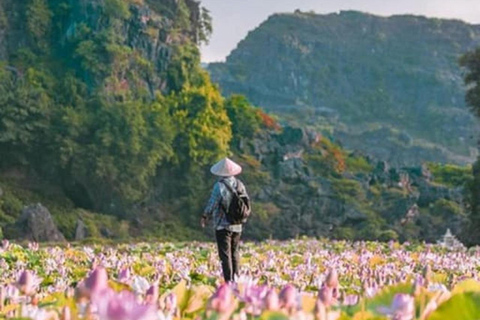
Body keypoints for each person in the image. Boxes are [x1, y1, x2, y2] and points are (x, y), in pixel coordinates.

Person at [201, 157, 249, 283]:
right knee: (234, 253)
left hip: (222, 225)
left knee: (225, 255)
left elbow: (213, 203)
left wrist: (205, 216)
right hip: (237, 225)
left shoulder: (219, 186)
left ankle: (229, 282)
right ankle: (236, 280)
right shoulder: (240, 184)